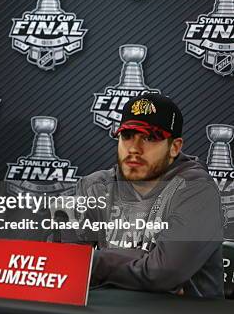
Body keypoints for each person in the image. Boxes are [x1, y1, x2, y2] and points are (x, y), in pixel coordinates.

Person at [75, 94, 224, 297]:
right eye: (127, 136)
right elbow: (65, 266)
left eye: (150, 138)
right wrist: (146, 260)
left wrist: (95, 261)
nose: (134, 148)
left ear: (175, 147)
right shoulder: (96, 186)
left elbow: (165, 272)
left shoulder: (196, 190)